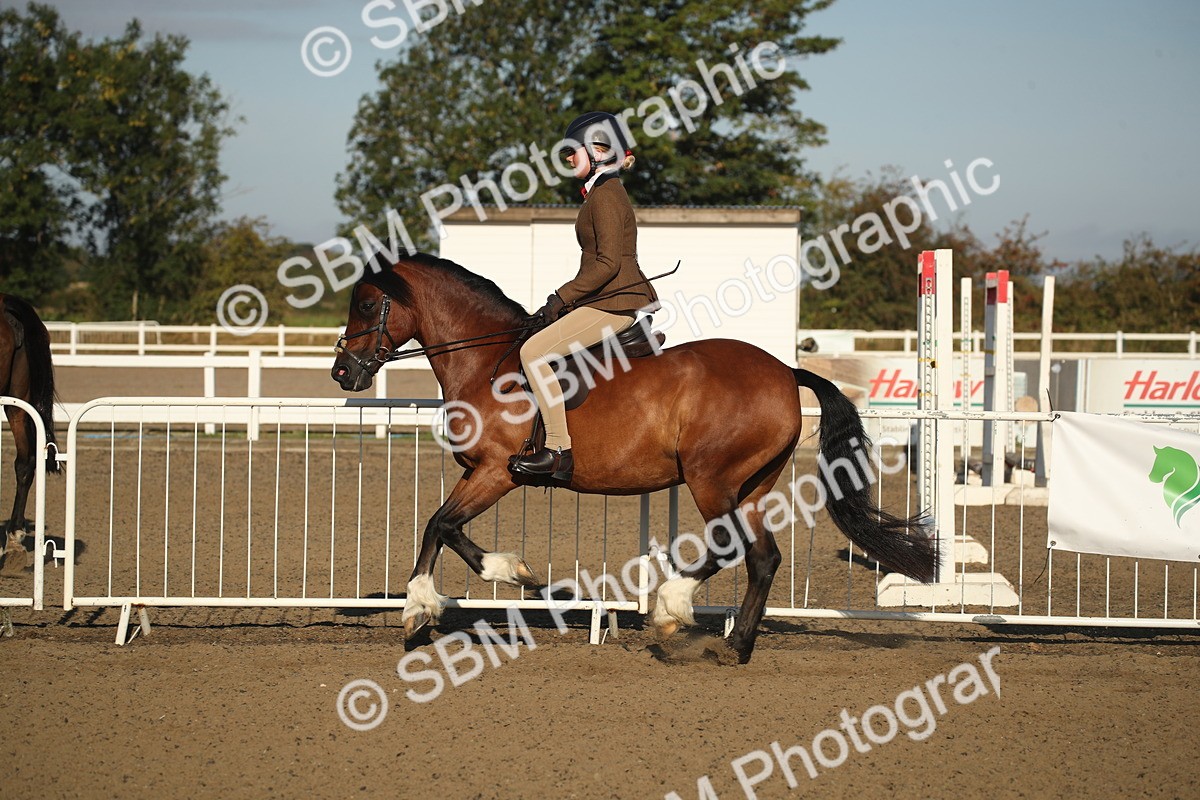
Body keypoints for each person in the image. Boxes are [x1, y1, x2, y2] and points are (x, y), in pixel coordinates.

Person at [508, 111, 659, 484]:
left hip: (615, 302)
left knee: (533, 352)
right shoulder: (601, 193)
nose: (567, 159)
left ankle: (558, 449)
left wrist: (561, 297)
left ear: (598, 151)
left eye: (572, 151)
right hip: (606, 298)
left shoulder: (606, 196)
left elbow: (607, 264)